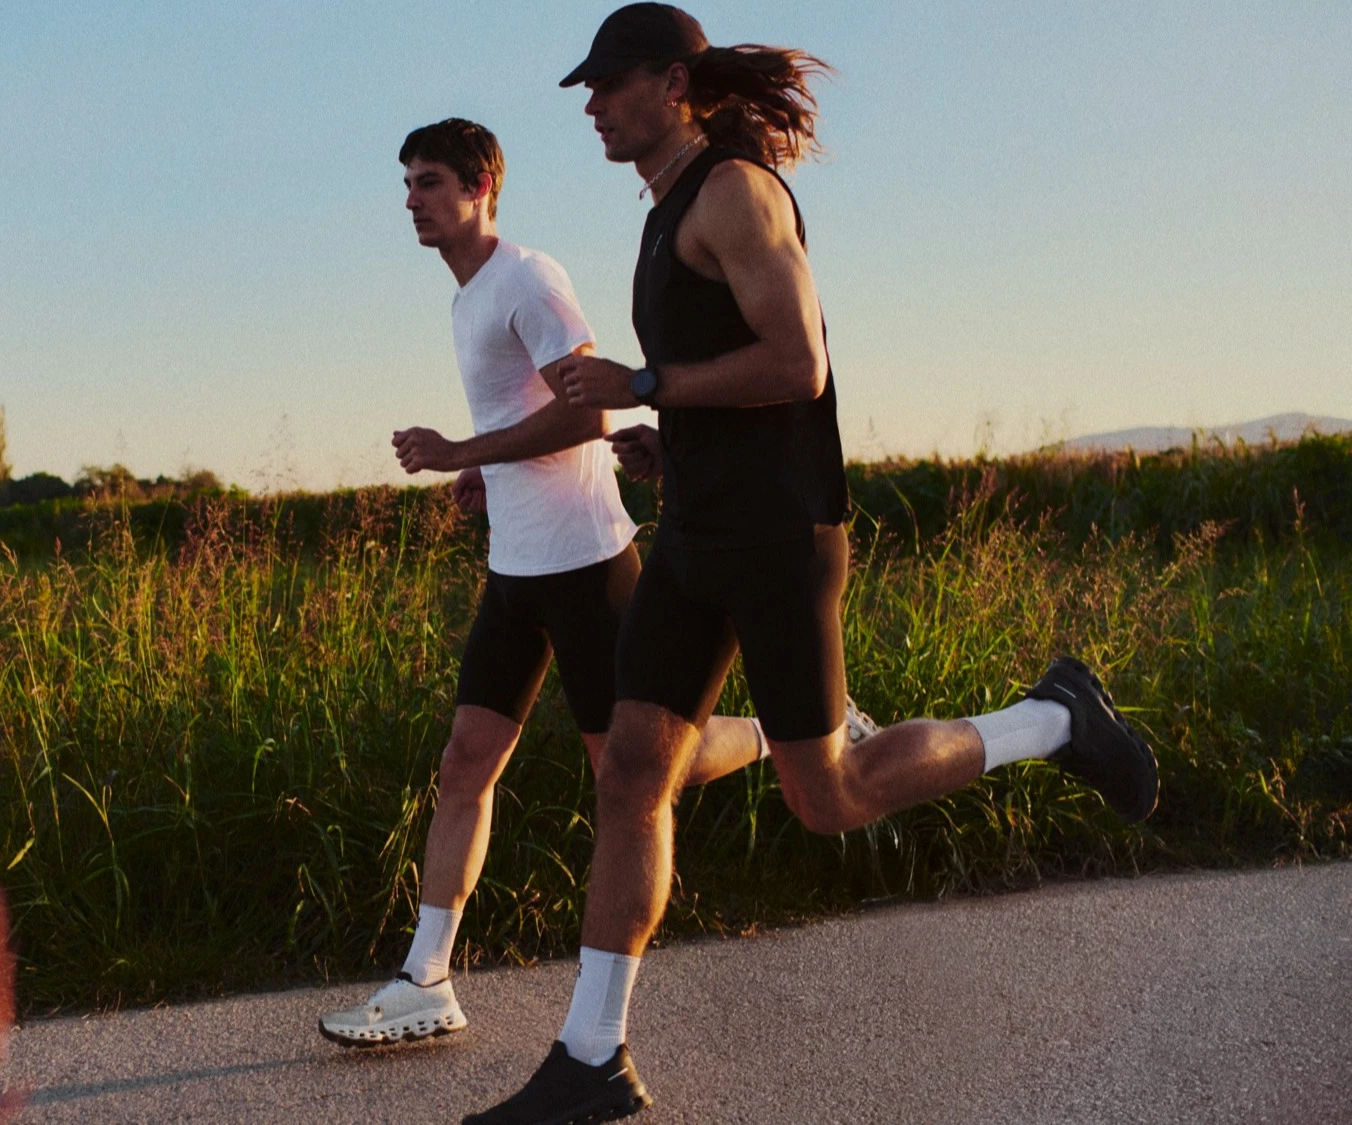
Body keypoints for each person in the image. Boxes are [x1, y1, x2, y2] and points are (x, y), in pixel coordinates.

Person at [463, 7, 1161, 1122]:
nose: (589, 105)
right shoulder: (660, 211)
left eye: (605, 84)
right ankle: (591, 1057)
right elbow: (720, 378)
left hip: (779, 540)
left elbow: (795, 361)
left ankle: (1050, 720)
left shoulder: (734, 191)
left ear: (672, 81)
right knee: (631, 769)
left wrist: (644, 387)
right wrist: (664, 439)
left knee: (825, 797)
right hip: (694, 532)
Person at [318, 118, 875, 1049]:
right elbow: (525, 415)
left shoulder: (527, 279)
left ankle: (808, 728)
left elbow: (592, 413)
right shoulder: (466, 299)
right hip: (516, 571)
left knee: (649, 769)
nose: (411, 201)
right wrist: (483, 471)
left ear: (482, 184)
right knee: (466, 762)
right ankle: (427, 976)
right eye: (407, 183)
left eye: (429, 182)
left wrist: (464, 449)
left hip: (582, 564)